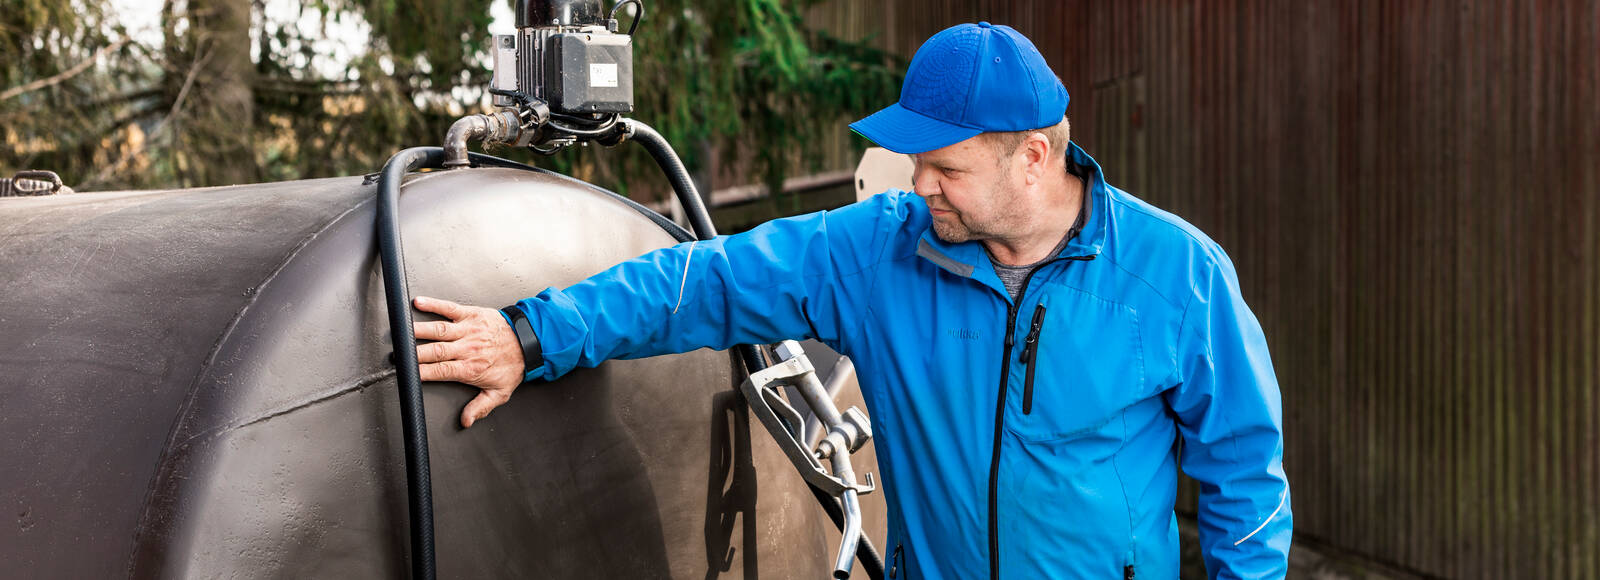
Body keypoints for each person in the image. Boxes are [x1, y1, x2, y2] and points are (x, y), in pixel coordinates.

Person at [411, 22, 1291, 579]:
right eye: (917, 163)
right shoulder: (879, 253)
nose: (921, 185)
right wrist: (532, 337)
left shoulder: (1177, 276)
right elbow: (703, 280)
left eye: (947, 167)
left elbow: (1244, 479)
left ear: (1033, 155)